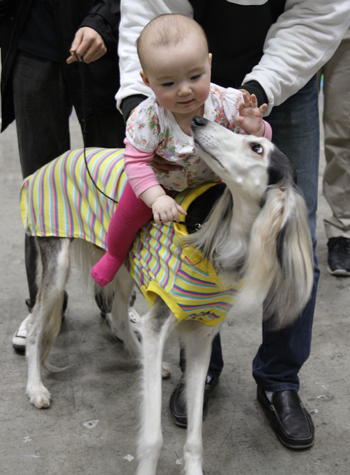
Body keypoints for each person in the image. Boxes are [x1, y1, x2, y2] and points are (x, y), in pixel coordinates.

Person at [116, 0, 350, 450]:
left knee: (290, 232)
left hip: (283, 69)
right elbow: (149, 13)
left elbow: (318, 16)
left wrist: (258, 92)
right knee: (195, 229)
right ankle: (202, 371)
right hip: (182, 73)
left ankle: (279, 380)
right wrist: (138, 99)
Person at [90, 14, 272, 287]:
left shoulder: (230, 103)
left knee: (242, 215)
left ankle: (242, 263)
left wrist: (257, 130)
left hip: (213, 180)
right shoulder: (146, 117)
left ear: (209, 64)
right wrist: (155, 199)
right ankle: (114, 255)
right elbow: (136, 163)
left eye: (195, 76)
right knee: (127, 215)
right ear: (147, 81)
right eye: (168, 83)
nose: (184, 90)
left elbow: (258, 149)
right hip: (161, 183)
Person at [0, 0, 124, 351]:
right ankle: (41, 303)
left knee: (111, 186)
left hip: (102, 42)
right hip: (31, 38)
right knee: (40, 188)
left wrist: (105, 19)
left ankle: (115, 304)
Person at [319, 25, 350, 277]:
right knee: (262, 121)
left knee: (344, 130)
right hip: (284, 19)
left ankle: (342, 229)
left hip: (346, 26)